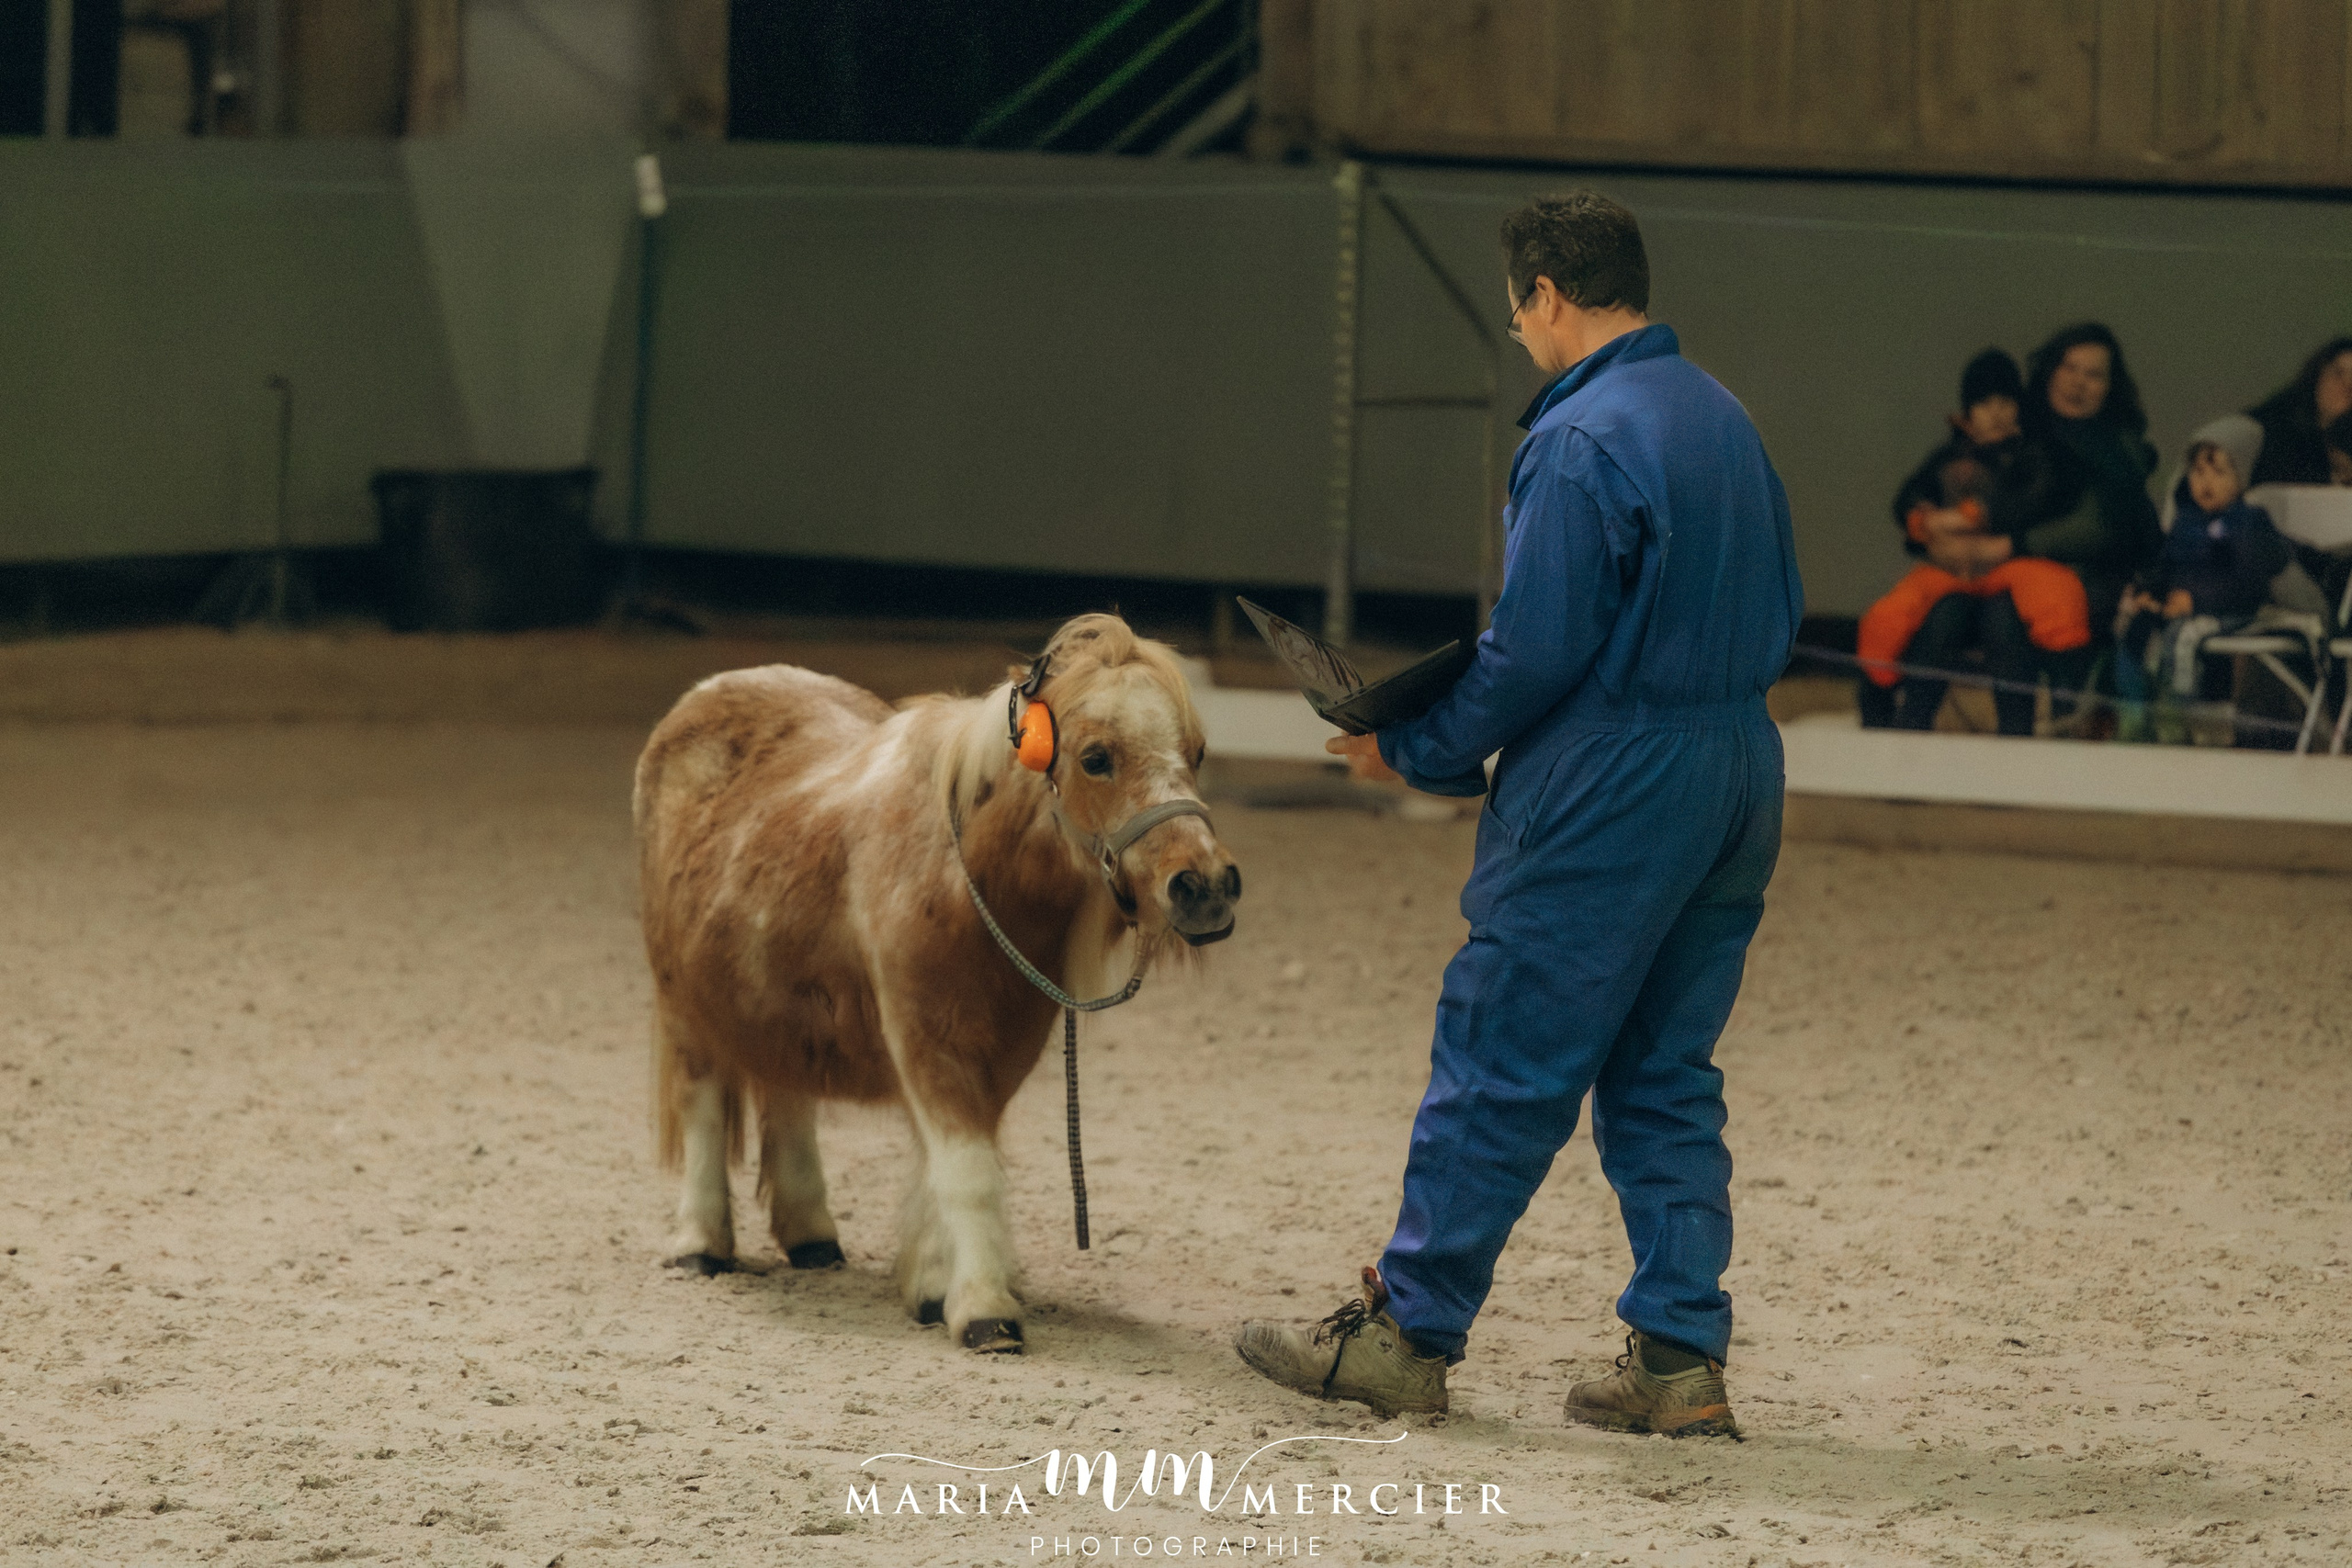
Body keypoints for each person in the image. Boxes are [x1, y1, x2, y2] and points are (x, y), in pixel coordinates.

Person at [1233, 190, 1802, 1438]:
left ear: (1544, 291)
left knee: (1500, 1053)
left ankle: (1408, 1331)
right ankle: (1678, 1357)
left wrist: (1414, 746)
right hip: (1738, 764)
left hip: (1615, 775)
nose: (1516, 327)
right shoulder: (1724, 416)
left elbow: (1533, 651)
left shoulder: (1583, 435)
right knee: (1664, 1070)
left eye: (1517, 304)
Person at [1895, 324, 2159, 734]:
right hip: (1988, 574)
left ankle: (2035, 734)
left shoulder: (2119, 450)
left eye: (2094, 374)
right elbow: (1952, 488)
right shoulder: (2016, 432)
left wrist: (2005, 547)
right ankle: (1908, 730)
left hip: (2091, 578)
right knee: (1943, 611)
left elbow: (2100, 527)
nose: (2078, 382)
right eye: (2070, 367)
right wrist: (1931, 531)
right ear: (2051, 370)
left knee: (2005, 614)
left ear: (2111, 386)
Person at [1855, 349, 2092, 729]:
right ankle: (1899, 722)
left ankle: (2038, 720)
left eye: (2005, 401)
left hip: (2008, 571)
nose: (1996, 412)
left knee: (2047, 608)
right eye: (1984, 403)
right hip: (1948, 574)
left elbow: (2030, 501)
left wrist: (1968, 518)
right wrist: (1923, 521)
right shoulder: (1946, 456)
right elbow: (1910, 496)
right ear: (1969, 411)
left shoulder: (2032, 453)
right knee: (1894, 620)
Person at [2114, 415, 2290, 744]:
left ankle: (2179, 713)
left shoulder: (2247, 524)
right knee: (2135, 629)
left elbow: (2247, 583)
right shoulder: (2187, 522)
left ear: (2240, 479)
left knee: (2184, 638)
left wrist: (2196, 600)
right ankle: (2133, 709)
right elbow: (2167, 564)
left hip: (2228, 608)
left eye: (2218, 472)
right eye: (2198, 471)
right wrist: (2149, 590)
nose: (2205, 481)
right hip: (2181, 603)